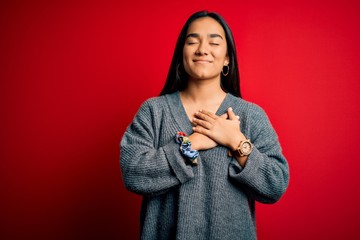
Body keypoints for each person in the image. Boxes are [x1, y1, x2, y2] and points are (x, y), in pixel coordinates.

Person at [120, 10, 289, 240]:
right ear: (181, 54)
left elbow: (275, 184)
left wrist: (236, 141)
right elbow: (133, 173)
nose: (202, 49)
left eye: (214, 42)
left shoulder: (250, 115)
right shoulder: (153, 111)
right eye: (192, 41)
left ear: (227, 58)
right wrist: (191, 144)